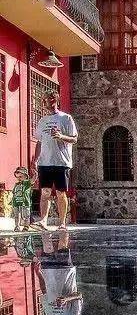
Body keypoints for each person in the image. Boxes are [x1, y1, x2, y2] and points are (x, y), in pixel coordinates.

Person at [31, 91, 78, 231]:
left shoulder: (66, 118)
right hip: (45, 162)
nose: (44, 102)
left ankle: (62, 223)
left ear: (54, 100)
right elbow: (39, 142)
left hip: (61, 162)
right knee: (45, 192)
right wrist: (35, 160)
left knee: (60, 193)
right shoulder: (42, 121)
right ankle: (43, 221)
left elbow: (74, 139)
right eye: (43, 99)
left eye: (46, 99)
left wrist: (61, 136)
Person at [33, 230, 83, 315]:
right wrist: (66, 299)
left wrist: (38, 273)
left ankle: (44, 225)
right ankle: (62, 224)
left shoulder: (49, 313)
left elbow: (44, 291)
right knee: (63, 243)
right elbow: (79, 295)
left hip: (48, 271)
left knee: (46, 242)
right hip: (66, 271)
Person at [11, 167, 32, 232]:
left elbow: (32, 181)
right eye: (17, 177)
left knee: (26, 215)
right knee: (16, 215)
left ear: (26, 176)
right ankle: (17, 226)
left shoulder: (26, 183)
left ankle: (26, 226)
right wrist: (12, 201)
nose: (18, 179)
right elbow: (14, 193)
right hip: (16, 202)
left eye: (20, 177)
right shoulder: (16, 184)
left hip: (25, 202)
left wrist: (35, 175)